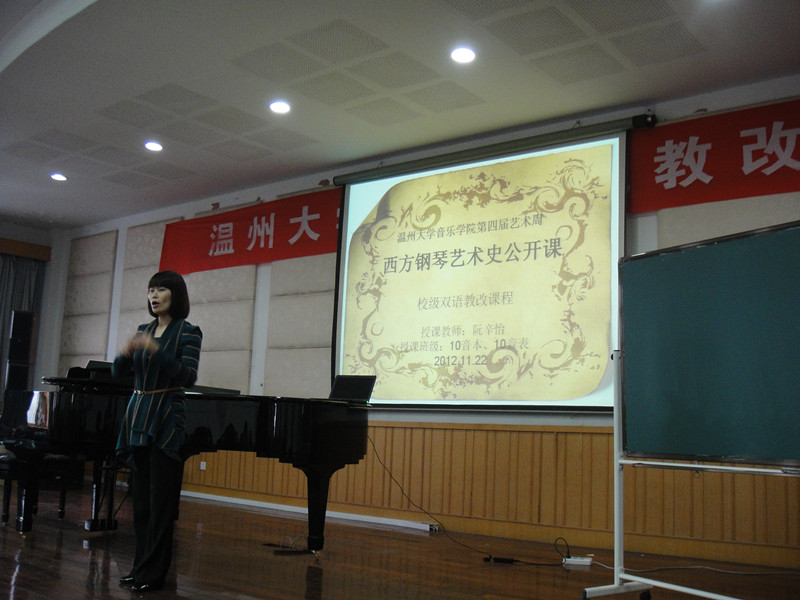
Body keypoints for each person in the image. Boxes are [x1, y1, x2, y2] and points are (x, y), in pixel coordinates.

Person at [112, 270, 202, 593]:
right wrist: (125, 353)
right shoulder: (144, 330)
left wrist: (155, 350)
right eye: (151, 290)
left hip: (166, 418)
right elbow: (118, 372)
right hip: (138, 416)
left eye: (161, 289)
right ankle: (139, 568)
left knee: (161, 504)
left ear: (175, 295)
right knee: (141, 504)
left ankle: (154, 573)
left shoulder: (188, 332)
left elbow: (187, 376)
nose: (154, 295)